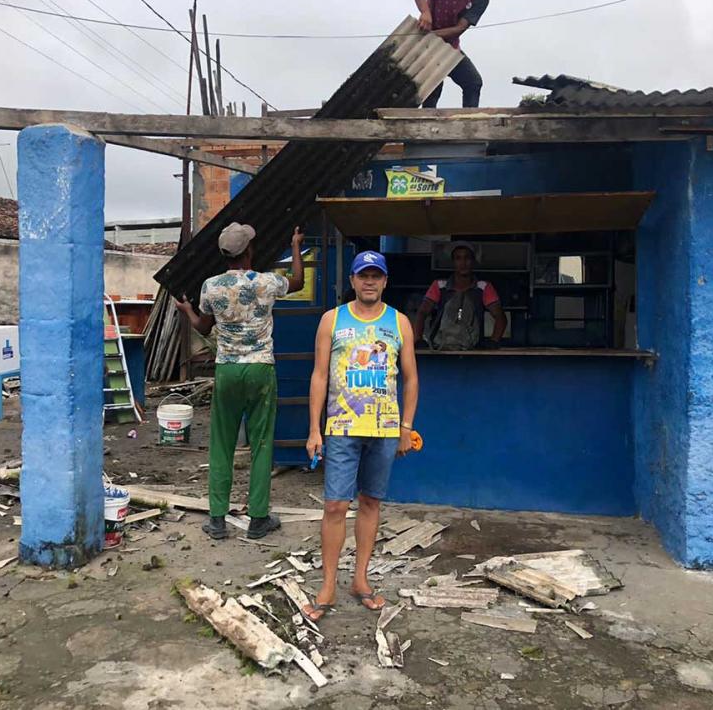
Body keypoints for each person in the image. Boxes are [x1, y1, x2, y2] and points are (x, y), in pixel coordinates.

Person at [303, 251, 419, 620]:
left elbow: (410, 379)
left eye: (376, 276)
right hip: (341, 428)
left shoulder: (399, 323)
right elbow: (320, 375)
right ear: (352, 280)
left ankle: (361, 580)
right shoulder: (332, 320)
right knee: (335, 506)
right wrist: (314, 429)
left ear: (385, 281)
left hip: (384, 429)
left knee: (370, 503)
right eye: (363, 275)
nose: (369, 282)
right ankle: (328, 586)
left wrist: (406, 428)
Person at [175, 223, 304, 540]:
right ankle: (258, 519)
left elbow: (203, 328)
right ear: (249, 250)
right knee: (261, 443)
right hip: (260, 368)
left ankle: (217, 520)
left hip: (228, 370)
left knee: (222, 443)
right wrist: (295, 244)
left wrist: (187, 310)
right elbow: (299, 281)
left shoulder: (211, 287)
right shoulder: (267, 282)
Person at [409, 0, 515, 108]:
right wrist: (425, 12)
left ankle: (469, 120)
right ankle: (426, 120)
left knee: (473, 82)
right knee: (433, 87)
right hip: (426, 45)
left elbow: (459, 28)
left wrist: (432, 35)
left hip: (449, 47)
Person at [412, 241, 507, 350]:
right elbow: (422, 312)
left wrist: (494, 341)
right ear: (453, 262)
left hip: (473, 349)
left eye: (467, 258)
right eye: (458, 258)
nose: (463, 263)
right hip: (440, 348)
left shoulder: (484, 287)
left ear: (473, 261)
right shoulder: (439, 285)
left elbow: (500, 316)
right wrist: (418, 339)